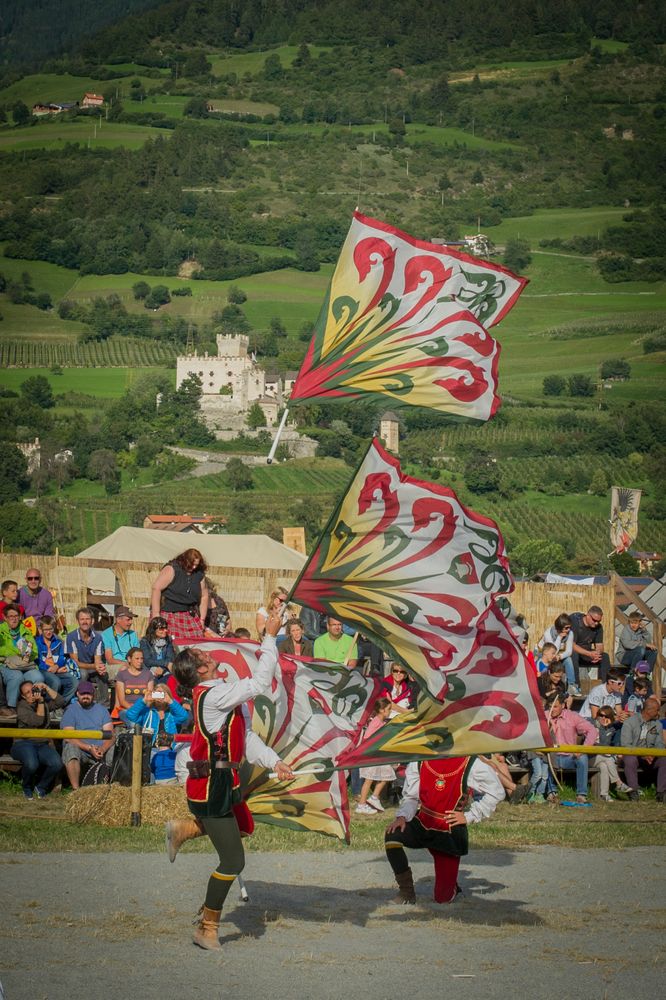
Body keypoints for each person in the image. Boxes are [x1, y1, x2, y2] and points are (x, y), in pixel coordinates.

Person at [163, 610, 295, 951]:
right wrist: (270, 636)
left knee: (241, 829)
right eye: (203, 656)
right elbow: (261, 683)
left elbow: (246, 738)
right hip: (211, 788)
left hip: (223, 782)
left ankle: (186, 828)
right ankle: (207, 928)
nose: (209, 653)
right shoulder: (214, 695)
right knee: (233, 861)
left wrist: (275, 761)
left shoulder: (221, 692)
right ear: (200, 671)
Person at [385, 756, 504, 904]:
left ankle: (452, 886)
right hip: (423, 823)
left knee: (442, 898)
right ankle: (407, 892)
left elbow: (497, 792)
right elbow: (411, 797)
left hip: (448, 831)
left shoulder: (471, 762)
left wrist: (470, 815)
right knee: (393, 835)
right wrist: (402, 817)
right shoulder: (420, 760)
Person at [124, 683, 190, 783]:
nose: (159, 696)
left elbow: (184, 716)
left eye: (162, 694)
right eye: (157, 693)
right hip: (151, 749)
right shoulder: (147, 712)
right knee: (150, 760)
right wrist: (143, 701)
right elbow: (130, 715)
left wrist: (170, 701)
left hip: (170, 748)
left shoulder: (172, 713)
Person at [11, 680, 64, 799]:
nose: (32, 693)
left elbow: (61, 701)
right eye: (28, 692)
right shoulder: (22, 707)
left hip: (42, 744)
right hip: (23, 743)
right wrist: (40, 702)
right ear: (23, 696)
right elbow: (38, 721)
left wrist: (46, 687)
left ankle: (41, 787)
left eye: (33, 689)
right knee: (31, 764)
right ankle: (26, 787)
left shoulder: (43, 703)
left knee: (57, 764)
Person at [60, 680, 115, 790]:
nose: (85, 696)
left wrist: (103, 749)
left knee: (113, 748)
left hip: (100, 749)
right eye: (83, 693)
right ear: (77, 694)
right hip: (82, 750)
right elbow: (68, 736)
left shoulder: (102, 710)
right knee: (70, 748)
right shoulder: (70, 711)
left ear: (93, 694)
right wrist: (89, 748)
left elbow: (111, 735)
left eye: (88, 693)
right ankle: (76, 790)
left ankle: (108, 786)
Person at [546, 692, 597, 804]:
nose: (552, 710)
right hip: (551, 756)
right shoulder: (545, 716)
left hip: (569, 757)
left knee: (582, 757)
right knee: (546, 758)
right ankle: (551, 792)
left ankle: (581, 794)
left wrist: (583, 748)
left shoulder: (572, 716)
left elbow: (592, 730)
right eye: (550, 707)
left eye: (555, 706)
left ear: (563, 706)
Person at [151, 548, 209, 640]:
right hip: (168, 614)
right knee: (170, 644)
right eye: (191, 564)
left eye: (196, 565)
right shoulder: (172, 569)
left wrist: (202, 619)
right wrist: (156, 615)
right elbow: (156, 588)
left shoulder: (199, 574)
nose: (194, 567)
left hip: (189, 615)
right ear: (184, 560)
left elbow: (204, 596)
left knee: (194, 645)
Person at [620, 696, 666, 803]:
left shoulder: (657, 724)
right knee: (629, 759)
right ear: (649, 710)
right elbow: (626, 745)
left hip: (650, 756)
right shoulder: (629, 723)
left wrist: (653, 754)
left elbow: (660, 744)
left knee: (664, 758)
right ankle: (633, 791)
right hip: (634, 755)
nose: (659, 712)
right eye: (657, 710)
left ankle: (661, 792)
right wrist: (642, 754)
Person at [0, 604, 44, 709]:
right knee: (16, 676)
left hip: (25, 664)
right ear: (5, 618)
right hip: (6, 664)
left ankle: (35, 705)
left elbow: (35, 652)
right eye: (11, 616)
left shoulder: (25, 630)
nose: (14, 619)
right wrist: (13, 654)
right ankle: (12, 707)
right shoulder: (1, 631)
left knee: (38, 677)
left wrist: (28, 653)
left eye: (16, 616)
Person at [355, 698, 395, 814]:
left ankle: (374, 798)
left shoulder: (382, 722)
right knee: (369, 780)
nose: (390, 711)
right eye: (388, 709)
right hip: (371, 755)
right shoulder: (376, 721)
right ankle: (361, 805)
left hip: (378, 755)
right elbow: (367, 738)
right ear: (382, 710)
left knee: (387, 775)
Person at [65, 607, 108, 702]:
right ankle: (82, 700)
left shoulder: (97, 637)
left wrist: (100, 668)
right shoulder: (71, 637)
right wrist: (95, 666)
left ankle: (103, 703)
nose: (85, 622)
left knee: (104, 674)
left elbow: (98, 659)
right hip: (75, 668)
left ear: (92, 621)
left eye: (87, 619)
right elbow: (75, 662)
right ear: (78, 621)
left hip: (91, 667)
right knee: (83, 673)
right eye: (82, 619)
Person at [35, 615, 78, 704]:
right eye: (46, 630)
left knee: (74, 681)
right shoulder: (37, 642)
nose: (48, 632)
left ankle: (61, 704)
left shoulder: (58, 642)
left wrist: (57, 666)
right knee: (55, 682)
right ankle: (50, 706)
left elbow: (62, 658)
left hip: (56, 669)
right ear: (41, 630)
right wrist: (50, 668)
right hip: (43, 670)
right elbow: (38, 660)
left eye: (50, 629)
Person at [593, 707, 632, 802]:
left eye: (605, 716)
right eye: (600, 715)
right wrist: (603, 727)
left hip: (601, 758)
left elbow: (605, 744)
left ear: (609, 717)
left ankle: (604, 794)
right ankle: (619, 783)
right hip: (591, 757)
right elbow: (599, 744)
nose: (602, 718)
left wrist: (623, 717)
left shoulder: (610, 728)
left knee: (604, 766)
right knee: (608, 758)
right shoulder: (593, 724)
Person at [569, 606, 611, 686]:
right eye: (594, 620)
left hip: (587, 653)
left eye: (599, 621)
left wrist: (597, 654)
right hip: (573, 652)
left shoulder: (598, 627)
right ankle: (575, 686)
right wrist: (589, 654)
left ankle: (605, 687)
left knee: (605, 657)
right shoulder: (575, 622)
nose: (596, 623)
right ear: (587, 615)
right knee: (573, 654)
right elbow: (572, 645)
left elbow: (599, 645)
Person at [538, 613, 576, 692]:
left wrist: (560, 656)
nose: (569, 630)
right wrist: (559, 637)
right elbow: (553, 651)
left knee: (568, 659)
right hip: (545, 654)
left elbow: (569, 651)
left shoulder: (570, 633)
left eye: (569, 627)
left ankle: (572, 685)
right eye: (566, 628)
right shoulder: (548, 634)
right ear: (560, 628)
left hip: (557, 655)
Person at [101, 606, 140, 681]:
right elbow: (110, 660)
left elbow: (137, 655)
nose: (131, 622)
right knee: (125, 670)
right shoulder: (106, 634)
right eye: (128, 620)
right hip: (113, 666)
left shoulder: (133, 634)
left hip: (132, 665)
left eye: (131, 619)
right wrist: (127, 664)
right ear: (118, 619)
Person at [115, 647, 154, 717]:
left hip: (143, 709)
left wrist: (140, 708)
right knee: (130, 716)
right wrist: (134, 709)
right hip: (127, 709)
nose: (140, 661)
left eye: (142, 658)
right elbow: (122, 701)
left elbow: (149, 697)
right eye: (137, 658)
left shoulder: (148, 674)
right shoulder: (122, 675)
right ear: (129, 659)